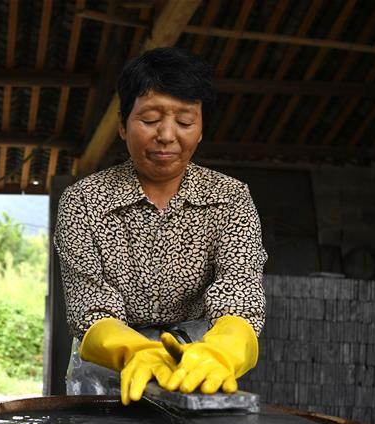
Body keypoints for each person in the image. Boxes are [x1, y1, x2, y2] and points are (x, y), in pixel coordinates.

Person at [54, 47, 267, 405]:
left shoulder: (230, 198)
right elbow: (89, 309)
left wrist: (221, 353)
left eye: (185, 122)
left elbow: (240, 296)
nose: (167, 135)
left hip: (196, 368)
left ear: (200, 130)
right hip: (111, 370)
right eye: (150, 120)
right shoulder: (84, 201)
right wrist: (134, 351)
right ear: (122, 125)